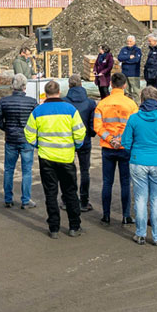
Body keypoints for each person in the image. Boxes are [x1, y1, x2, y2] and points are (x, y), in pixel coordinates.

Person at [26, 80, 86, 238]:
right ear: (59, 92)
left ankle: (54, 228)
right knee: (70, 192)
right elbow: (80, 132)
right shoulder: (70, 109)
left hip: (46, 158)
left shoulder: (38, 111)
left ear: (45, 94)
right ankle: (74, 226)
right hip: (66, 157)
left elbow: (29, 133)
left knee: (50, 193)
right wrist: (76, 146)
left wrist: (38, 145)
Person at [121, 86, 157, 246]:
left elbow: (126, 142)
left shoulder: (134, 119)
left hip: (138, 161)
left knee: (140, 198)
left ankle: (140, 233)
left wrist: (136, 152)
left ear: (142, 99)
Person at [94, 72, 138, 225]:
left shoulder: (102, 104)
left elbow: (97, 126)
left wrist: (110, 139)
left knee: (107, 182)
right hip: (125, 148)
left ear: (111, 84)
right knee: (125, 182)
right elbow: (134, 126)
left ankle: (106, 215)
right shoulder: (131, 104)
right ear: (125, 85)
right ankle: (126, 215)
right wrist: (120, 139)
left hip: (108, 147)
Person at [0, 75, 38, 209]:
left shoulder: (4, 101)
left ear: (13, 86)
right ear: (24, 86)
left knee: (8, 170)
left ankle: (8, 198)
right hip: (26, 140)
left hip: (11, 138)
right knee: (27, 171)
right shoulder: (32, 102)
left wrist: (6, 128)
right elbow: (38, 120)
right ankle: (25, 200)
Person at [65, 75, 97, 211]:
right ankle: (84, 201)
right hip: (85, 139)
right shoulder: (90, 103)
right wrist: (91, 133)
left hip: (68, 140)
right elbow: (92, 123)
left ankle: (68, 200)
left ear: (69, 86)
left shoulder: (64, 102)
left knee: (68, 171)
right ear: (81, 85)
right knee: (85, 171)